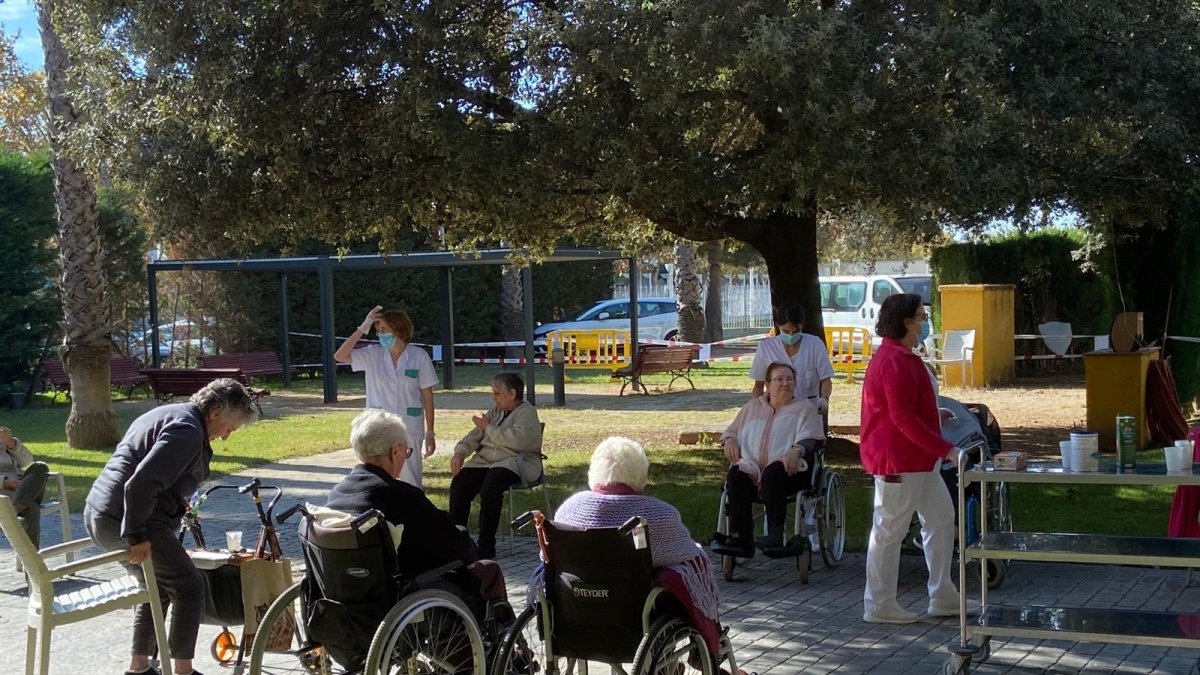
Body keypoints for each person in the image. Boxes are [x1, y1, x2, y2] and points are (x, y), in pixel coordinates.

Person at [84, 378, 259, 675]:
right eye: (230, 427)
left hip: (100, 514)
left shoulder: (167, 413)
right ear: (215, 412)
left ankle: (139, 667)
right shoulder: (187, 431)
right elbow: (139, 483)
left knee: (158, 586)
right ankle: (182, 671)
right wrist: (137, 535)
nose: (227, 436)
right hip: (129, 519)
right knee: (189, 587)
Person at [860, 293, 974, 624]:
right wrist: (947, 449)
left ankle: (942, 594)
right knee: (889, 530)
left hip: (916, 460)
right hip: (900, 460)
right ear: (907, 322)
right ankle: (879, 603)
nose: (924, 323)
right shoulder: (896, 361)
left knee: (940, 519)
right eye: (922, 318)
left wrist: (932, 413)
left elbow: (903, 409)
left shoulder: (898, 357)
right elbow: (901, 418)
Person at [554, 437, 724, 657]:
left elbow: (547, 557)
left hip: (576, 612)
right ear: (642, 478)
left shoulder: (569, 509)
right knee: (689, 572)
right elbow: (690, 554)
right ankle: (709, 653)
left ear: (593, 473)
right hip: (635, 618)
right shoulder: (659, 515)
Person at [326, 408, 508, 604]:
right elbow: (454, 545)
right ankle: (501, 633)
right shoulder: (401, 497)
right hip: (402, 598)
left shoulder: (337, 494)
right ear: (394, 451)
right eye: (406, 452)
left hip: (348, 599)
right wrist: (466, 540)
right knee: (489, 570)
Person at [711, 361, 825, 557]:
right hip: (752, 469)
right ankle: (742, 538)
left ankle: (775, 536)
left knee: (773, 473)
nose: (785, 383)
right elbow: (731, 431)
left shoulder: (804, 408)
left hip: (789, 471)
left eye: (789, 379)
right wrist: (729, 440)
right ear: (767, 384)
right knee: (736, 475)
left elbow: (812, 437)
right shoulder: (752, 407)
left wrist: (796, 450)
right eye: (779, 379)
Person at [335, 306, 439, 488]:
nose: (381, 335)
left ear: (399, 329)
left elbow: (427, 397)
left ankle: (412, 515)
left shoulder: (419, 356)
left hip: (409, 426)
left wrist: (430, 432)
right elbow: (340, 355)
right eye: (378, 331)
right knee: (379, 480)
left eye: (385, 331)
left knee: (411, 480)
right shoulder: (372, 354)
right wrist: (362, 327)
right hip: (379, 428)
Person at [449, 372, 543, 559]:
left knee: (491, 486)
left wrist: (488, 428)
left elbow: (517, 441)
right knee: (460, 484)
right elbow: (474, 436)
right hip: (485, 462)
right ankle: (456, 541)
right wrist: (460, 453)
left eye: (497, 393)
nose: (494, 397)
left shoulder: (527, 413)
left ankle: (486, 546)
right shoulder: (495, 412)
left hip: (514, 462)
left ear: (512, 393)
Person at [748, 303, 835, 416]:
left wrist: (824, 400)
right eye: (786, 331)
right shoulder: (766, 347)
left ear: (802, 326)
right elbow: (758, 385)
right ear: (778, 326)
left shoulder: (815, 344)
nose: (791, 335)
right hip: (775, 412)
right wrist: (759, 408)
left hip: (808, 410)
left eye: (795, 331)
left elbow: (826, 379)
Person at [0, 424, 49, 546]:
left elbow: (27, 461)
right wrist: (5, 483)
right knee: (30, 509)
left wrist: (11, 443)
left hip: (23, 488)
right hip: (3, 492)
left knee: (40, 466)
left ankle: (19, 505)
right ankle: (33, 561)